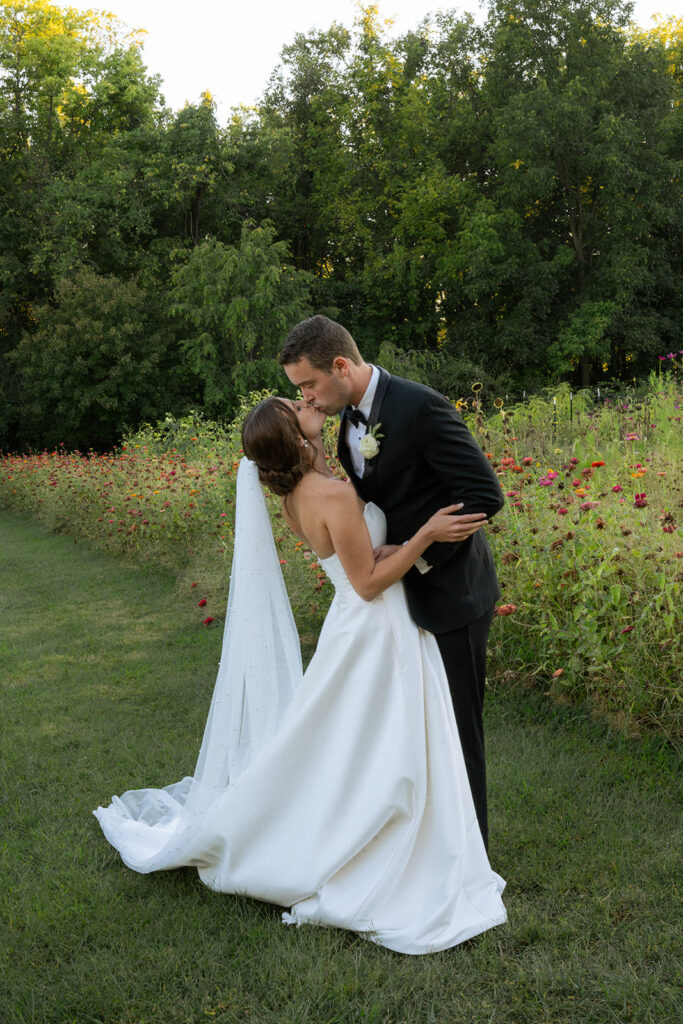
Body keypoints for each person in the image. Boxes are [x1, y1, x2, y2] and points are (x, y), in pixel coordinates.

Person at [94, 397, 506, 954]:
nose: (306, 402)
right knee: (386, 743)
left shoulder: (294, 496)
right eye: (296, 404)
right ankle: (388, 843)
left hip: (351, 625)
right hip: (375, 627)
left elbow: (348, 561)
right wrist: (426, 534)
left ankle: (384, 827)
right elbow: (366, 583)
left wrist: (386, 545)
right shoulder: (333, 493)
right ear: (293, 432)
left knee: (352, 743)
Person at [279, 315, 504, 850]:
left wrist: (416, 553)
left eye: (308, 385)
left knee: (457, 732)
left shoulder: (419, 407)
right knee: (418, 734)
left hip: (452, 592)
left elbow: (484, 495)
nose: (306, 398)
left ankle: (473, 856)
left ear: (341, 366)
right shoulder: (345, 421)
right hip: (396, 598)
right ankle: (425, 841)